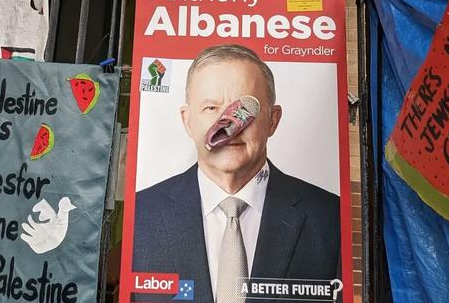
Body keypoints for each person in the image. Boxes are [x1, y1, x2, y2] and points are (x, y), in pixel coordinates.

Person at [132, 44, 340, 303]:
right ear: (187, 121)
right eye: (211, 108)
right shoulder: (139, 216)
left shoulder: (332, 218)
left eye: (245, 109)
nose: (229, 126)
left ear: (273, 120)